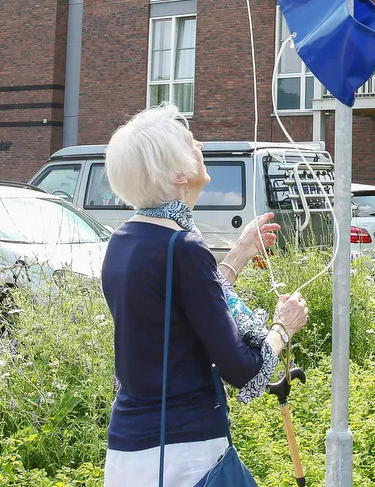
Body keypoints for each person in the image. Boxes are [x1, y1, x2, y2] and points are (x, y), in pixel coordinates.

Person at [101, 104, 310, 486]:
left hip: (128, 453)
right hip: (183, 452)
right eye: (189, 142)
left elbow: (186, 308)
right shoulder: (183, 248)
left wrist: (239, 252)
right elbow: (243, 370)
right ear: (177, 175)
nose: (200, 143)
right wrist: (283, 326)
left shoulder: (124, 240)